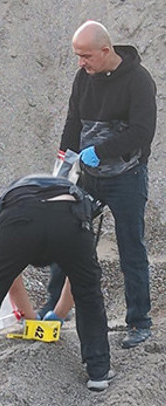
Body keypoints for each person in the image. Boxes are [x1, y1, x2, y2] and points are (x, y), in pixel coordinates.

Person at [43, 21, 157, 349]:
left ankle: (138, 322)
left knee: (130, 248)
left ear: (106, 51)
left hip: (126, 178)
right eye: (78, 56)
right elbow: (73, 122)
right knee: (65, 238)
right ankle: (55, 309)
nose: (81, 62)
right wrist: (65, 160)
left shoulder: (138, 81)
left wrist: (101, 151)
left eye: (86, 56)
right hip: (87, 178)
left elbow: (141, 132)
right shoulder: (84, 78)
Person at [0, 175, 114, 391]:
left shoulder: (8, 201)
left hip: (20, 218)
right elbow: (80, 281)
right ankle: (98, 372)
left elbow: (9, 280)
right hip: (69, 218)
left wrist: (30, 319)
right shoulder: (82, 203)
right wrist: (58, 316)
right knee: (89, 292)